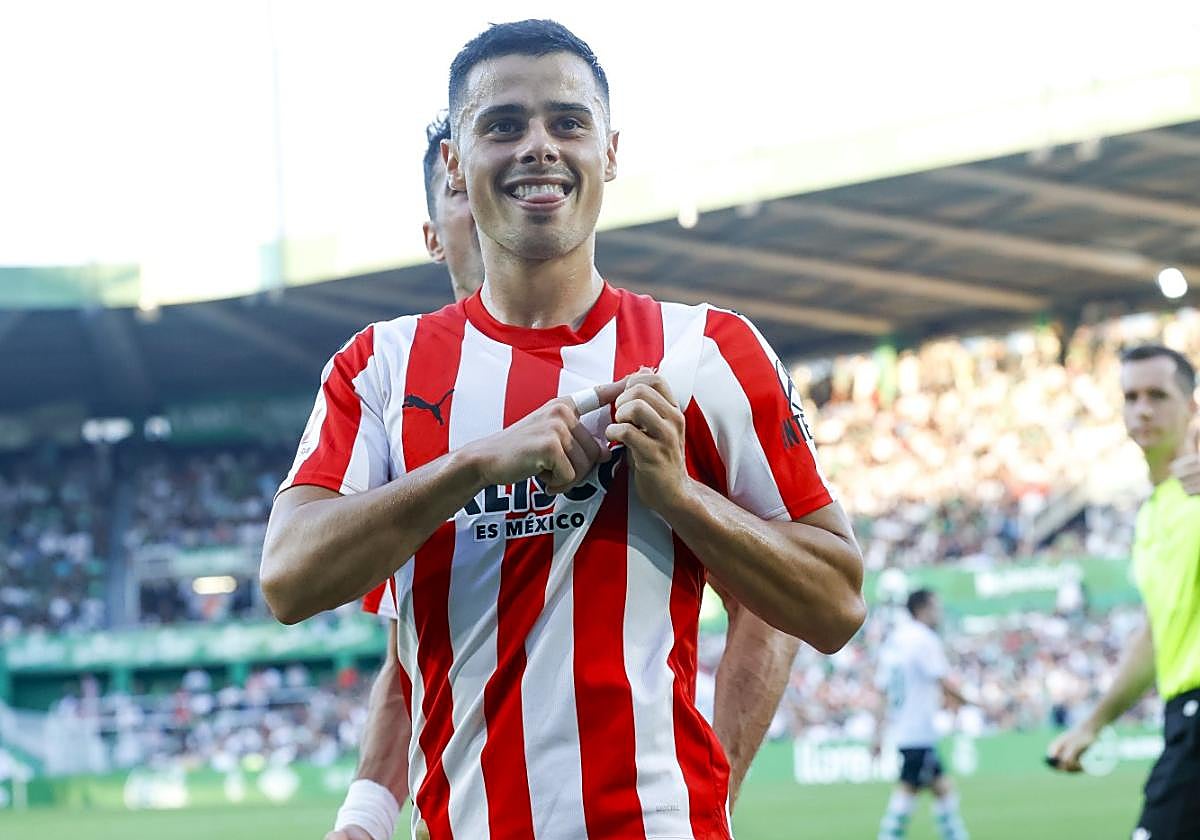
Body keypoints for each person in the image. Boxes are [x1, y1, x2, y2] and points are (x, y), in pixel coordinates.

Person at [263, 20, 865, 840]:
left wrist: (681, 496)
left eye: (567, 123)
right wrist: (478, 461)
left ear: (609, 153)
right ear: (455, 162)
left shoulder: (707, 350)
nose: (538, 147)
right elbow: (288, 579)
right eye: (503, 125)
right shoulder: (380, 367)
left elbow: (833, 603)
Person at [1048, 344, 1200, 840]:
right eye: (1131, 397)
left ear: (1191, 407)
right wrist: (1093, 722)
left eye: (1158, 394)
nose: (1144, 409)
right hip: (1183, 717)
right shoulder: (1154, 515)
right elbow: (1159, 633)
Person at [873, 589, 970, 840]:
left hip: (904, 726)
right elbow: (941, 679)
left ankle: (955, 836)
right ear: (922, 609)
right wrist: (969, 702)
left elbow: (882, 690)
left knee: (942, 787)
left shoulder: (895, 640)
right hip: (918, 728)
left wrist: (878, 733)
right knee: (909, 788)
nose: (939, 612)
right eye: (936, 607)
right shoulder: (924, 639)